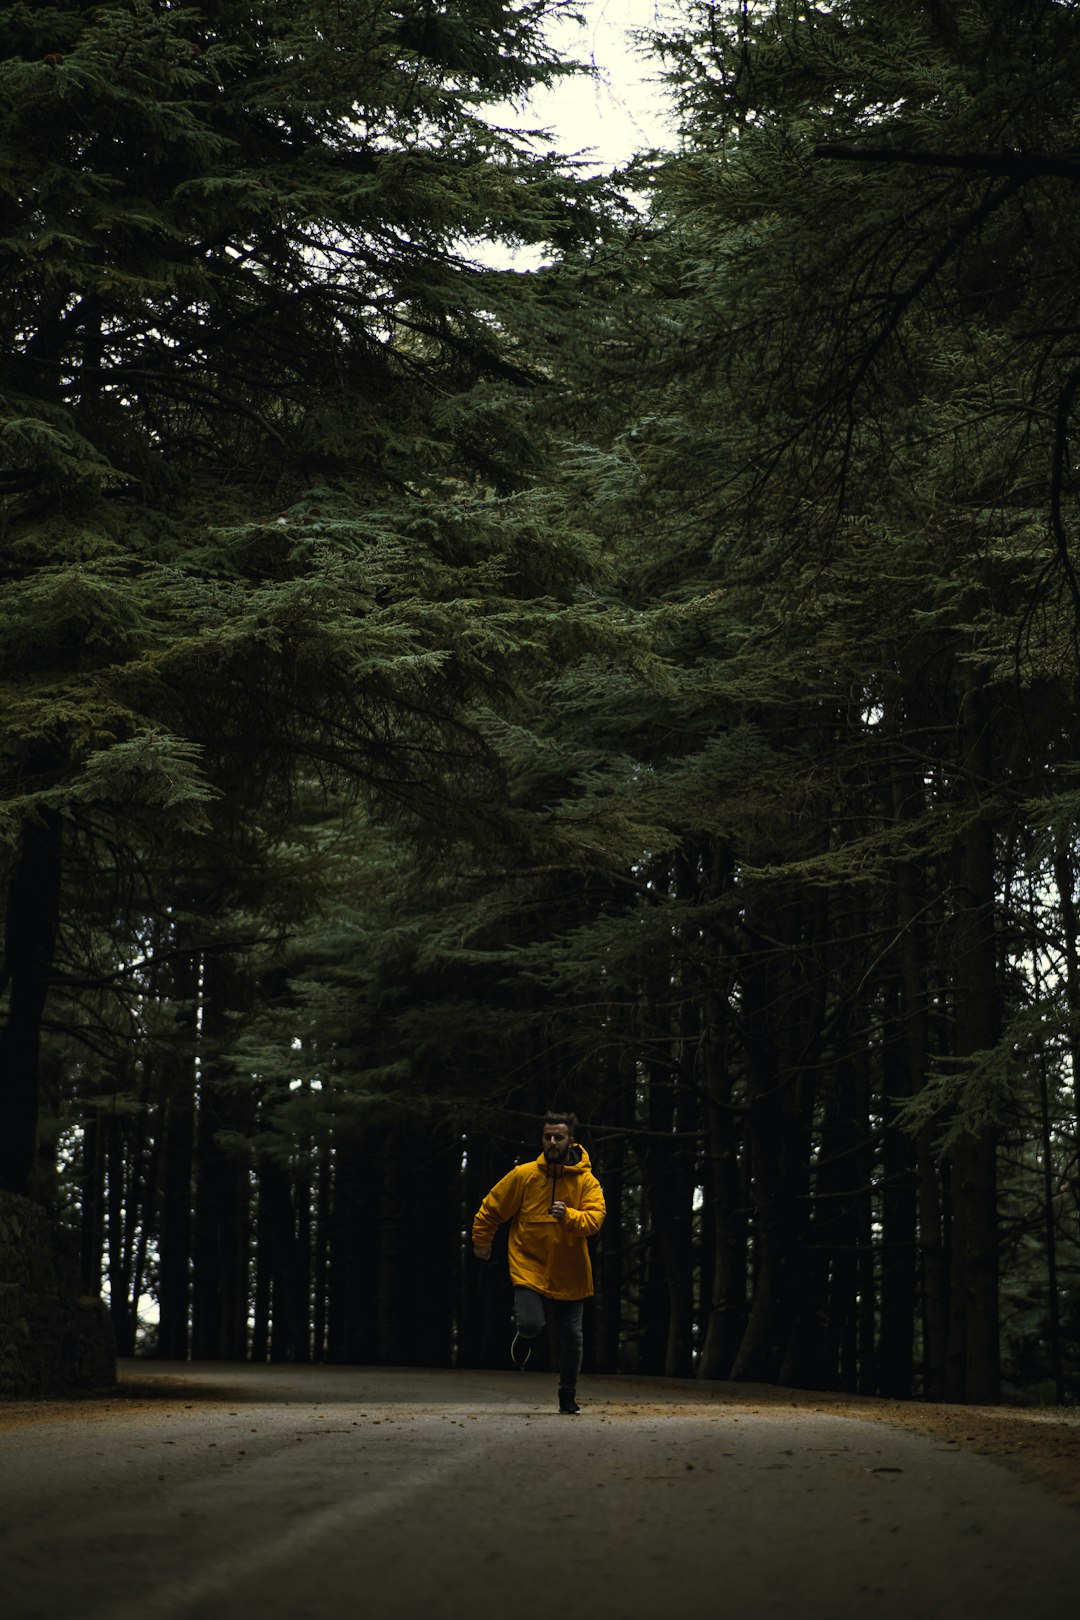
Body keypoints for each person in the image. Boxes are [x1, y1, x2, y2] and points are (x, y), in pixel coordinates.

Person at [472, 1110, 605, 1414]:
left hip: (570, 1270)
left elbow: (595, 1219)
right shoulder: (524, 1175)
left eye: (559, 1137)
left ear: (571, 1141)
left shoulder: (587, 1181)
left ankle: (567, 1395)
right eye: (548, 1137)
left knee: (572, 1336)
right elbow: (493, 1207)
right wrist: (482, 1239)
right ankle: (526, 1334)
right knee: (532, 1323)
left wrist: (569, 1216)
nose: (552, 1142)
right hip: (528, 1263)